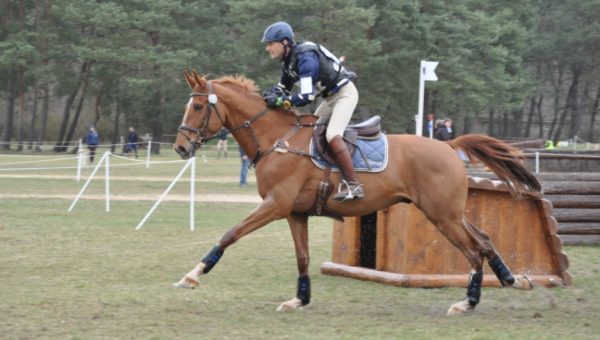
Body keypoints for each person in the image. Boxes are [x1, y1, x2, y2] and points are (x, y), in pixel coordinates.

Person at [261, 21, 363, 201]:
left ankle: (354, 185)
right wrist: (271, 95)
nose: (267, 48)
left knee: (332, 135)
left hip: (345, 95)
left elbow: (306, 97)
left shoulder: (305, 58)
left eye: (270, 43)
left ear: (284, 42)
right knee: (307, 131)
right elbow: (283, 88)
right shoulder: (289, 61)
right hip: (330, 99)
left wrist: (280, 101)